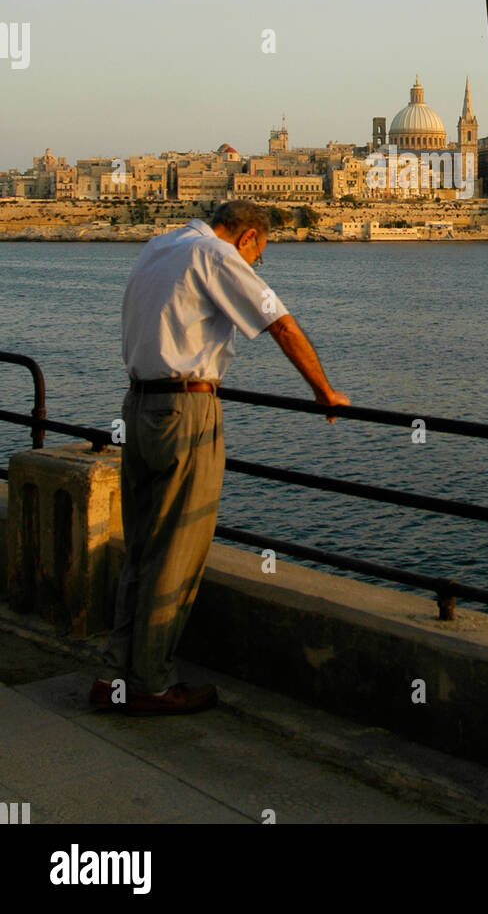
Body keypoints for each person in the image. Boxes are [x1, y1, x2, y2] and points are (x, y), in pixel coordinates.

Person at [90, 199, 349, 715]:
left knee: (141, 548)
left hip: (137, 404)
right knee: (178, 548)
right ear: (249, 237)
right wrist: (324, 390)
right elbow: (280, 323)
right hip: (186, 409)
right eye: (260, 256)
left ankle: (113, 673)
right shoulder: (215, 254)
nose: (255, 265)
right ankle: (150, 682)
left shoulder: (159, 246)